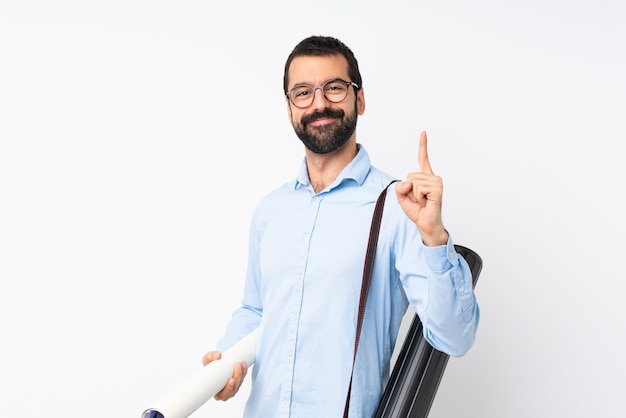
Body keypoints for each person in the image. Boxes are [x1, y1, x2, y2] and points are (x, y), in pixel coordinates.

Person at [202, 35, 480, 418]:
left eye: (333, 88)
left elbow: (455, 336)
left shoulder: (399, 207)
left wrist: (434, 238)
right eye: (303, 92)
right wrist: (228, 364)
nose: (319, 103)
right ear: (289, 108)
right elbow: (255, 309)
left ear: (359, 99)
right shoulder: (270, 211)